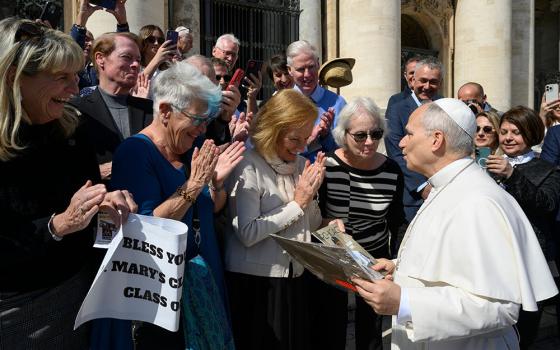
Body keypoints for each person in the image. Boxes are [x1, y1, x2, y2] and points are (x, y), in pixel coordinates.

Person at [352, 98, 558, 349]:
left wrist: (404, 302)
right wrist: (398, 267)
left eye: (408, 134)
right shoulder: (445, 186)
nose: (401, 142)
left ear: (436, 140)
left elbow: (498, 307)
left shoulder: (478, 201)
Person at [0, 18, 136, 349]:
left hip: (81, 290)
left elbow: (88, 200)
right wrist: (58, 224)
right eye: (62, 78)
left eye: (76, 76)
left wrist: (106, 206)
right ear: (14, 78)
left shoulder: (71, 128)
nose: (75, 89)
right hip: (22, 307)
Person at [110, 62, 244, 349]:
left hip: (204, 281)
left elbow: (211, 209)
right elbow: (145, 228)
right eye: (197, 118)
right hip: (164, 296)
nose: (203, 128)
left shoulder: (186, 149)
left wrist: (214, 183)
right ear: (165, 112)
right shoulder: (136, 151)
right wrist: (194, 185)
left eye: (207, 119)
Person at [225, 89, 326, 349]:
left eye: (306, 138)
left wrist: (312, 197)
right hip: (258, 285)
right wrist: (298, 203)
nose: (303, 146)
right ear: (273, 130)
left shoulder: (302, 164)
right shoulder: (247, 165)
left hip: (294, 278)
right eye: (295, 138)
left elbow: (311, 224)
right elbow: (247, 233)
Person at [310, 97, 405, 349]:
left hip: (374, 258)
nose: (370, 142)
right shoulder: (327, 165)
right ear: (343, 134)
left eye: (376, 134)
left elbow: (396, 221)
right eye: (360, 135)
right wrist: (325, 222)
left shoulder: (392, 170)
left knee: (371, 331)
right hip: (333, 256)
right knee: (329, 325)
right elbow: (311, 212)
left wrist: (397, 262)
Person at [486, 106, 560, 349]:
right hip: (491, 257)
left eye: (516, 132)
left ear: (531, 134)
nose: (508, 137)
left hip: (528, 260)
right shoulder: (488, 166)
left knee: (524, 332)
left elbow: (545, 204)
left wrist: (512, 175)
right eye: (504, 131)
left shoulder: (548, 169)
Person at [70, 32, 153, 180]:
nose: (135, 65)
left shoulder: (150, 110)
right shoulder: (76, 110)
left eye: (138, 60)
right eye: (127, 57)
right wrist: (96, 172)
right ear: (100, 59)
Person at [385, 56, 443, 224]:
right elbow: (396, 153)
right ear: (412, 81)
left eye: (433, 82)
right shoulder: (397, 109)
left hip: (442, 192)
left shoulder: (446, 107)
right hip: (410, 199)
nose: (427, 86)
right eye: (422, 81)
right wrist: (423, 187)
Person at [287, 40, 347, 161]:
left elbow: (347, 151)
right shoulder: (281, 104)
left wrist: (326, 136)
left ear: (318, 64)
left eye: (311, 67)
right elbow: (274, 151)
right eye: (301, 69)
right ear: (289, 70)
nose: (307, 74)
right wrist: (307, 143)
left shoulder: (338, 103)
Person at [71, 0, 130, 93]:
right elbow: (72, 52)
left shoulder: (98, 72)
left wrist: (122, 22)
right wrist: (82, 17)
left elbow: (121, 52)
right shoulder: (69, 71)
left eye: (92, 41)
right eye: (85, 39)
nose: (90, 44)